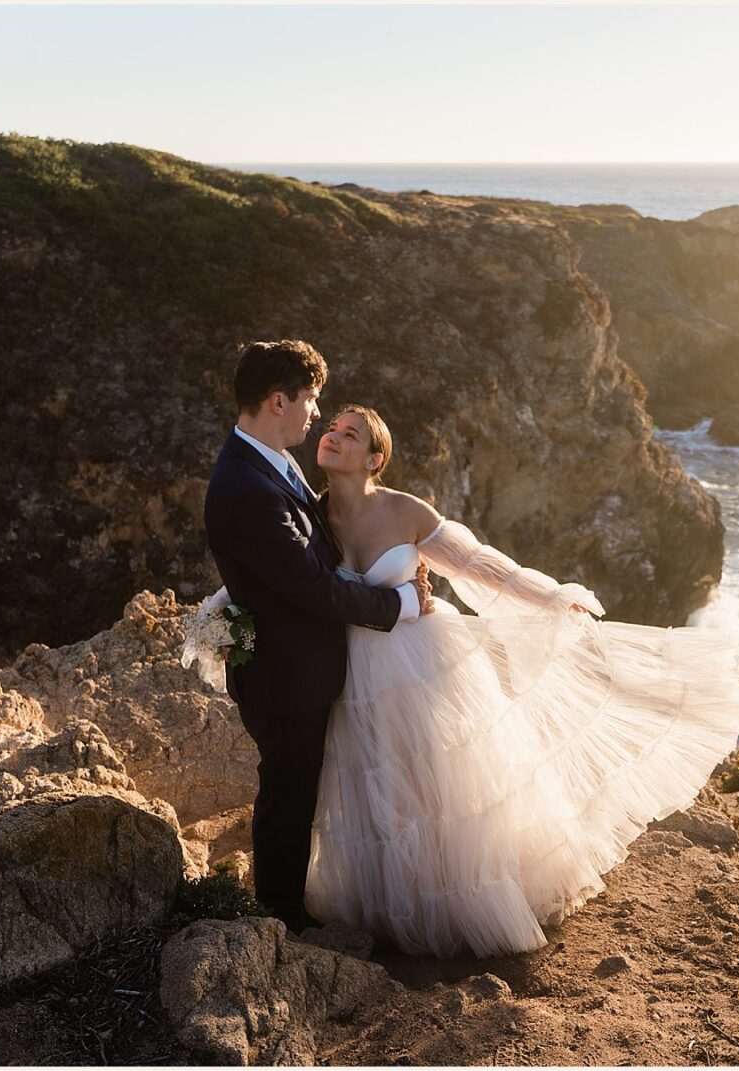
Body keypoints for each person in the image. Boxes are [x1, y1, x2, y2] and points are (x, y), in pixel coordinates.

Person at [296, 403, 739, 958]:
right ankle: (400, 907)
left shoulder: (405, 510)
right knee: (381, 792)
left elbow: (481, 565)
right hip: (356, 675)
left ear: (375, 458)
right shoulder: (312, 517)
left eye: (352, 434)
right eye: (331, 429)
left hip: (422, 664)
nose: (334, 437)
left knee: (445, 784)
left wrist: (555, 597)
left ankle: (460, 905)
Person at [201, 339, 434, 935]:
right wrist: (400, 602)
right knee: (288, 797)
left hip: (301, 667)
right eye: (311, 401)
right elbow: (312, 587)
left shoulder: (272, 459)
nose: (314, 415)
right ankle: (280, 922)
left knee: (301, 792)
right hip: (284, 678)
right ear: (279, 400)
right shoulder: (245, 486)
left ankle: (286, 909)